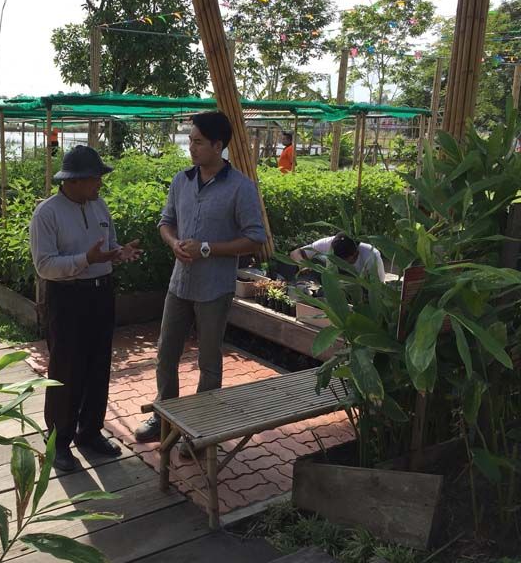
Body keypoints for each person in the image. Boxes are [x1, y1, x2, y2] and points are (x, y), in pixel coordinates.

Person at [133, 111, 267, 452]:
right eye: (190, 140)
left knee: (208, 361)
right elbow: (165, 222)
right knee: (166, 352)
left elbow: (255, 238)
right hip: (180, 284)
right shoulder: (182, 181)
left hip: (214, 288)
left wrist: (207, 248)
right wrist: (173, 243)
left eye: (198, 142)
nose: (191, 147)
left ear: (218, 146)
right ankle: (164, 416)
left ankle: (201, 429)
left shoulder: (241, 188)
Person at [30, 145, 143, 472]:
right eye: (95, 178)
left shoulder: (99, 206)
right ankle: (58, 442)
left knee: (98, 365)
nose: (100, 183)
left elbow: (108, 246)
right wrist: (85, 260)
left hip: (101, 294)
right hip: (68, 298)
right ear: (74, 180)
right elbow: (44, 266)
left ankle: (90, 432)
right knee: (66, 370)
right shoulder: (47, 214)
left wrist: (119, 253)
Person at [290, 232, 386, 282]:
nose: (339, 264)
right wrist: (302, 264)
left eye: (342, 261)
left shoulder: (371, 255)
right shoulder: (329, 243)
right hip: (335, 283)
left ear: (355, 254)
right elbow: (295, 253)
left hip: (359, 288)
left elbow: (378, 286)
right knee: (318, 259)